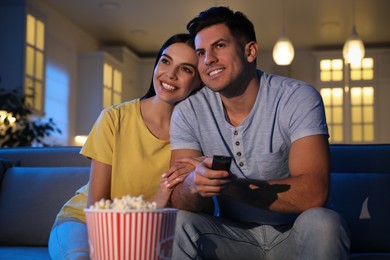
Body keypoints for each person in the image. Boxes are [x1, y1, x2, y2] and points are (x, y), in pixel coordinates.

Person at [164, 7, 351, 260]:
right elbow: (179, 199)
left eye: (219, 46)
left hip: (295, 232)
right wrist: (194, 183)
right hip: (230, 236)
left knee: (325, 222)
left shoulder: (296, 97)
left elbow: (315, 192)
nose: (208, 59)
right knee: (178, 223)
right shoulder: (188, 112)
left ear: (250, 51)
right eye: (201, 53)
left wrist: (232, 187)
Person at [48, 33, 203, 260]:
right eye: (166, 61)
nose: (170, 74)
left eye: (186, 69)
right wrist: (157, 202)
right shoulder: (114, 117)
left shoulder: (195, 136)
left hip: (145, 229)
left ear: (199, 81)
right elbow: (96, 208)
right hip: (83, 222)